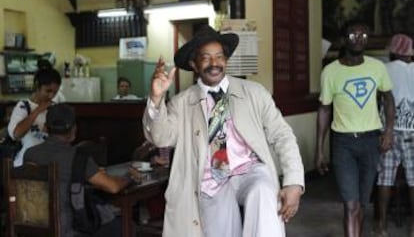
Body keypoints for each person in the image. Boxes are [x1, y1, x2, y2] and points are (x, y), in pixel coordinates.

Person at [143, 25, 304, 237]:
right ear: (194, 63)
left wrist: (294, 182)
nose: (214, 63)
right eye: (206, 58)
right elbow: (161, 137)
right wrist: (156, 99)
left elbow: (282, 134)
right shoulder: (181, 102)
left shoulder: (254, 93)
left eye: (219, 56)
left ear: (226, 60)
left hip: (250, 171)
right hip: (211, 178)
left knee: (264, 193)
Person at [315, 21, 395, 237]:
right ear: (343, 40)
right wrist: (320, 151)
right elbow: (324, 110)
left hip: (371, 142)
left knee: (361, 204)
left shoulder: (377, 67)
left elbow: (388, 99)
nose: (359, 38)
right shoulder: (330, 72)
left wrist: (388, 132)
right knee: (350, 204)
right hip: (343, 144)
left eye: (363, 35)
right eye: (353, 35)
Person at [24, 103, 131, 237]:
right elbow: (113, 187)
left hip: (32, 227)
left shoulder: (30, 154)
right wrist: (129, 177)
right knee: (122, 225)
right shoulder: (77, 157)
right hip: (67, 230)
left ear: (46, 128)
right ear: (74, 129)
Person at [376, 33, 414, 237]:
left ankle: (381, 226)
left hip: (387, 132)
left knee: (385, 178)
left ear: (392, 51)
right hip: (413, 133)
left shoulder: (384, 69)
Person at [8, 67, 62, 167]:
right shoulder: (23, 106)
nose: (51, 96)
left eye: (55, 92)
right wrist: (37, 110)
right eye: (48, 91)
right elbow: (16, 134)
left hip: (48, 162)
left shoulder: (54, 108)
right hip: (24, 164)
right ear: (37, 86)